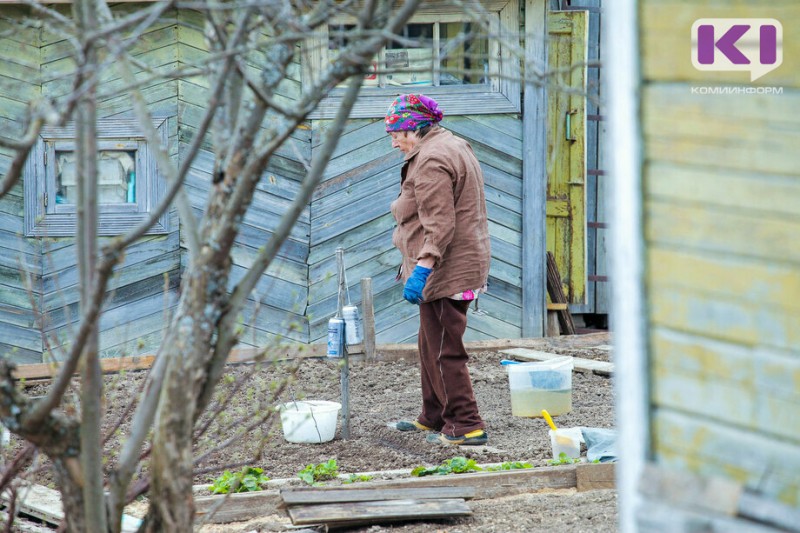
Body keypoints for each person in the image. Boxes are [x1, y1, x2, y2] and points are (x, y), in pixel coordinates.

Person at [385, 94, 491, 446]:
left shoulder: (431, 160)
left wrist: (423, 268)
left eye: (397, 133)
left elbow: (441, 224)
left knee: (445, 348)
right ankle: (433, 415)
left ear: (415, 128)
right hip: (458, 262)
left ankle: (466, 424)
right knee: (430, 343)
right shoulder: (451, 143)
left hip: (446, 269)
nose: (394, 141)